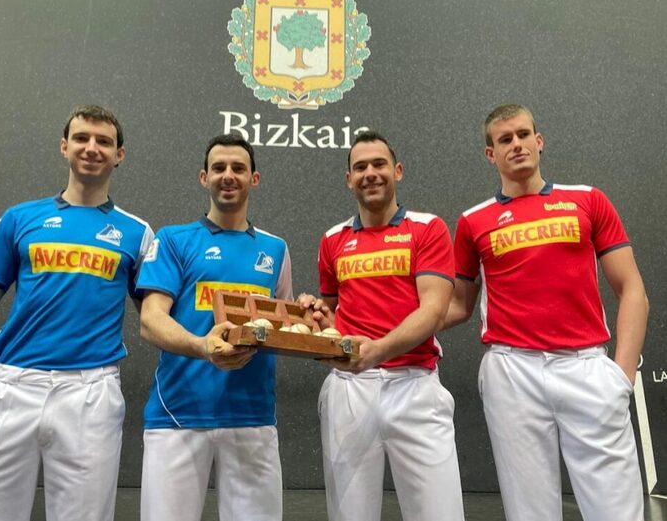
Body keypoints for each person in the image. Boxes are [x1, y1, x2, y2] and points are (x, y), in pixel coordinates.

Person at [0, 105, 154, 521]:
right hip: (11, 388)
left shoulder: (138, 233)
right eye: (81, 138)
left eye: (104, 141)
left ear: (119, 155)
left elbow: (155, 318)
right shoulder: (19, 218)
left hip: (91, 394)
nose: (91, 148)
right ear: (64, 146)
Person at [443, 103, 649, 521]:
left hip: (587, 368)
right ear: (490, 154)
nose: (516, 145)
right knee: (529, 512)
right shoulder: (473, 221)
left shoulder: (587, 200)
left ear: (539, 141)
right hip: (511, 372)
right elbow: (457, 305)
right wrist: (383, 328)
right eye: (505, 139)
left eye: (523, 135)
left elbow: (632, 291)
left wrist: (622, 377)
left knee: (617, 511)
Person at [301, 131, 465, 521]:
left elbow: (434, 310)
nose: (370, 173)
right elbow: (332, 314)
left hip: (415, 385)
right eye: (360, 167)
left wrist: (377, 351)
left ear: (398, 170)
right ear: (348, 179)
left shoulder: (428, 228)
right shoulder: (333, 240)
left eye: (379, 164)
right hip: (349, 390)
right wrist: (314, 316)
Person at [137, 133, 293, 521]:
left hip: (252, 418)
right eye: (218, 167)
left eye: (238, 168)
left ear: (254, 179)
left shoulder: (275, 248)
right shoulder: (173, 240)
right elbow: (151, 320)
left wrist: (309, 316)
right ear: (203, 177)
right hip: (177, 417)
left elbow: (282, 326)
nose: (228, 175)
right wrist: (202, 346)